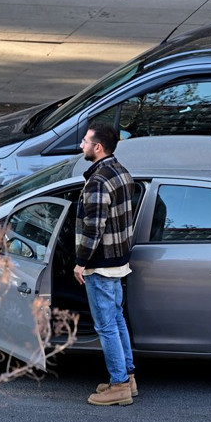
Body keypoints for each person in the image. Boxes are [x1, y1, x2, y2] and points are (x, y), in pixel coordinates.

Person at [74, 123, 138, 406]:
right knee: (117, 319)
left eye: (85, 141)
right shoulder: (121, 171)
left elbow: (94, 228)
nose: (81, 146)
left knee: (106, 326)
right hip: (119, 260)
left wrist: (80, 262)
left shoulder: (99, 181)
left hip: (100, 264)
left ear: (98, 147)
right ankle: (128, 377)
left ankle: (119, 385)